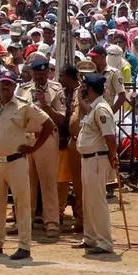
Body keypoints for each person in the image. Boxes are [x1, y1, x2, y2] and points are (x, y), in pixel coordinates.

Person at [0, 71, 55, 261]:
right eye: (3, 83)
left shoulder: (24, 106)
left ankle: (24, 246)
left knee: (22, 204)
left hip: (16, 161)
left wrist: (33, 147)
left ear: (14, 86)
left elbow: (49, 124)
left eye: (9, 84)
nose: (5, 87)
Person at [16, 55, 66, 239]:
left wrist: (46, 105)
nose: (39, 75)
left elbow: (60, 119)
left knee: (48, 181)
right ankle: (24, 220)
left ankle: (51, 221)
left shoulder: (55, 89)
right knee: (25, 182)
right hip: (26, 136)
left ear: (47, 71)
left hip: (47, 138)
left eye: (42, 71)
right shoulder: (23, 89)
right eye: (36, 71)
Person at [73, 74, 117, 255]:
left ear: (90, 89)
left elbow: (110, 138)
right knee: (88, 199)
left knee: (97, 201)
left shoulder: (101, 109)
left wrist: (112, 158)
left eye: (84, 87)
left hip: (97, 159)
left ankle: (104, 241)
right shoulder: (94, 107)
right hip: (88, 159)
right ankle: (90, 237)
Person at [55, 64, 84, 233]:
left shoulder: (82, 92)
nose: (60, 79)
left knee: (80, 183)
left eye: (62, 76)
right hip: (65, 141)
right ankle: (58, 214)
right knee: (62, 181)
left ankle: (81, 218)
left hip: (79, 141)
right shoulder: (64, 92)